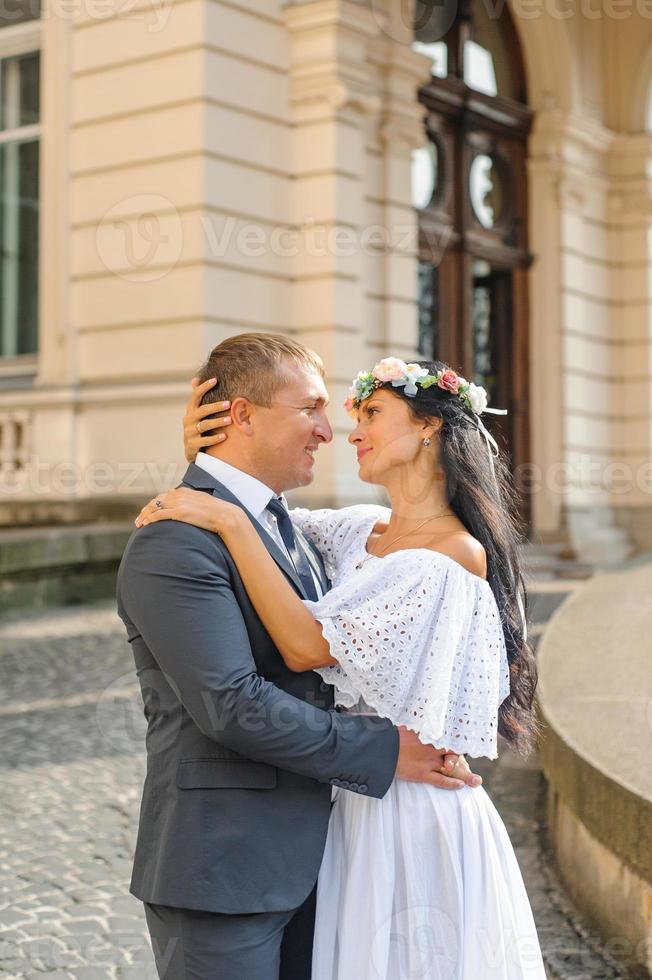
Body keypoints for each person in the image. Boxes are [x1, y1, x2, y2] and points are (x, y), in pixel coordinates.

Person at [136, 349, 546, 979]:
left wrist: (224, 510)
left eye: (369, 412)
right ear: (241, 414)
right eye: (314, 409)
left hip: (402, 811)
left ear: (430, 426)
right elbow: (243, 511)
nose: (339, 431)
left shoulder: (447, 556)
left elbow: (302, 640)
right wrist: (203, 463)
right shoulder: (352, 533)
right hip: (289, 836)